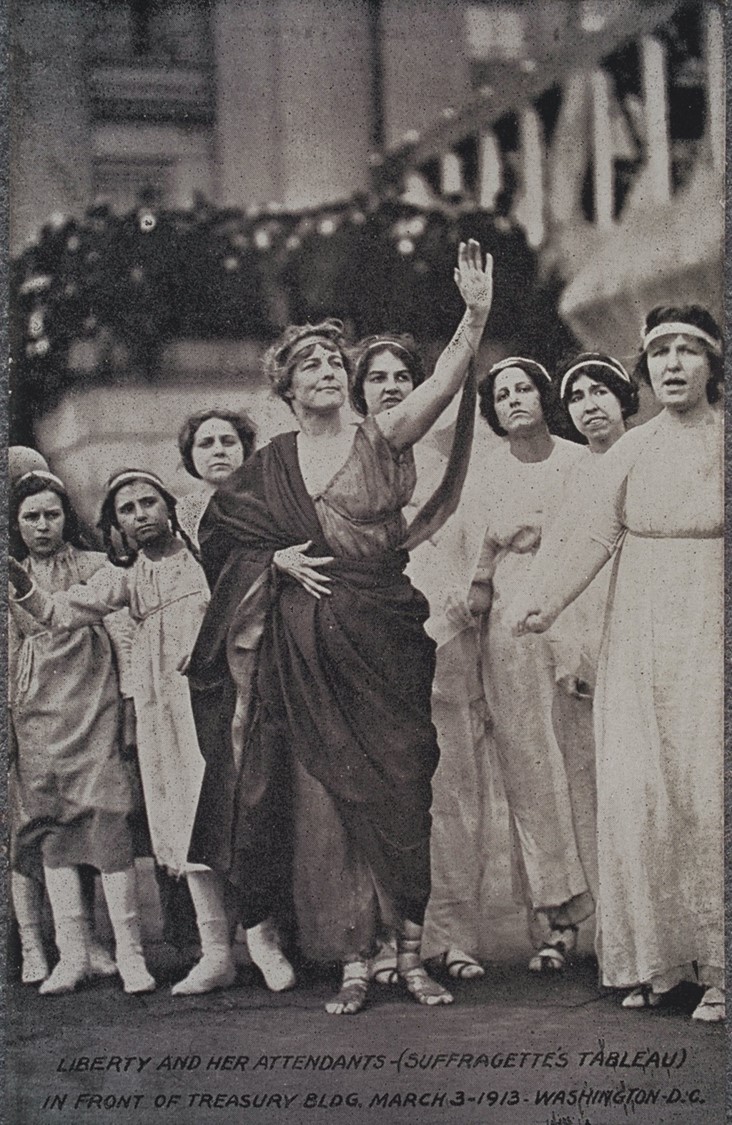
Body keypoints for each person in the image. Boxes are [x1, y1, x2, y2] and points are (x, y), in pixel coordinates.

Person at [187, 239, 493, 1014]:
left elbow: (446, 385)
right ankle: (357, 959)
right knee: (328, 804)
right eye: (311, 365)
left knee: (399, 787)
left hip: (383, 637)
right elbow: (225, 539)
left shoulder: (380, 436)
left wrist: (474, 316)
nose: (327, 372)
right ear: (286, 387)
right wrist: (273, 562)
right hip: (304, 653)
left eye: (335, 362)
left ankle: (412, 956)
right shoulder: (268, 467)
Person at [511, 306, 724, 1022]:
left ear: (713, 364)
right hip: (638, 625)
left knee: (707, 788)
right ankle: (663, 959)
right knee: (642, 790)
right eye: (659, 350)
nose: (671, 363)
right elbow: (597, 536)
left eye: (688, 350)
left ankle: (721, 964)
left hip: (711, 620)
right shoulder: (632, 449)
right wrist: (544, 601)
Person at [9, 469, 239, 997]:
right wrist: (21, 583)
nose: (140, 516)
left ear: (168, 506)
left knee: (235, 810)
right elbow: (59, 613)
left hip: (213, 701)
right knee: (182, 820)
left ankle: (265, 943)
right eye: (127, 510)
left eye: (147, 503)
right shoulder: (125, 576)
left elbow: (242, 604)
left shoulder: (206, 560)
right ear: (117, 525)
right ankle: (215, 954)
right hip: (163, 710)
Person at [349, 333, 488, 984]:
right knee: (386, 799)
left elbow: (477, 557)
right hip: (373, 655)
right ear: (361, 392)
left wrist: (453, 613)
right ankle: (387, 939)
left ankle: (454, 936)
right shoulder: (343, 468)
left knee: (455, 790)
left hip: (445, 642)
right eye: (376, 377)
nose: (391, 385)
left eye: (402, 374)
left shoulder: (446, 468)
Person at [467, 356, 594, 972]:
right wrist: (495, 542)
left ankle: (613, 909)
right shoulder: (484, 472)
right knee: (527, 760)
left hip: (577, 609)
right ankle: (554, 919)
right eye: (502, 394)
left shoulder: (580, 459)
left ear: (546, 397)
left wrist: (546, 531)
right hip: (511, 622)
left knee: (582, 755)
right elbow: (476, 557)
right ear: (492, 412)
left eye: (525, 389)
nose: (515, 399)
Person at [8, 470, 155, 995]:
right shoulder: (13, 575)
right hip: (35, 718)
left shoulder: (96, 567)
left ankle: (130, 955)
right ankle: (71, 956)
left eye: (52, 514)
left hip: (94, 710)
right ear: (16, 524)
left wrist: (130, 711)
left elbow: (125, 641)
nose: (43, 526)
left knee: (108, 824)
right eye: (31, 517)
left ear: (66, 516)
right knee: (51, 829)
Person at [177, 409, 257, 545]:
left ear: (245, 450)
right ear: (190, 455)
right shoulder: (180, 514)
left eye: (228, 442)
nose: (219, 451)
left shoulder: (267, 504)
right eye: (206, 444)